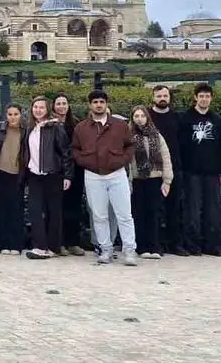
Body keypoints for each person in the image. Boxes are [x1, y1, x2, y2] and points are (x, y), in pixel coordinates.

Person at [71, 90, 139, 266]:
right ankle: (105, 249)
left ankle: (129, 250)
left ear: (106, 104)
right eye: (95, 102)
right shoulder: (82, 128)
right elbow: (75, 150)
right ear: (90, 105)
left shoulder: (120, 125)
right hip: (93, 175)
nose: (98, 105)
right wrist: (86, 162)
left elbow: (130, 146)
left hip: (117, 174)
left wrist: (121, 161)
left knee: (124, 214)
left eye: (101, 101)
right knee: (99, 216)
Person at [180, 83, 221, 256]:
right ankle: (192, 245)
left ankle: (213, 245)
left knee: (213, 210)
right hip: (191, 171)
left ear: (211, 98)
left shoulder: (217, 120)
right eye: (201, 96)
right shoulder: (185, 119)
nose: (204, 99)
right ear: (195, 97)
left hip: (212, 171)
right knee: (192, 210)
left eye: (207, 96)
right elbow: (180, 146)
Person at [22, 97, 73, 260]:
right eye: (35, 107)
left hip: (53, 174)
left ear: (47, 109)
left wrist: (67, 175)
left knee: (54, 212)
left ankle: (53, 247)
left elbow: (66, 152)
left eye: (41, 107)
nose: (38, 110)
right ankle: (40, 246)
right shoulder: (30, 128)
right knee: (35, 211)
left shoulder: (55, 127)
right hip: (34, 175)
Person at [129, 106, 173, 259]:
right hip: (137, 180)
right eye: (136, 116)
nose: (139, 118)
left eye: (142, 115)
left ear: (147, 117)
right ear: (132, 118)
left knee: (154, 213)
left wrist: (167, 180)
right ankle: (141, 247)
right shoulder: (129, 136)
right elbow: (128, 161)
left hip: (155, 179)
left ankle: (155, 246)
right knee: (139, 214)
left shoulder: (157, 135)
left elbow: (166, 157)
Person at [149, 85, 187, 256]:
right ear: (153, 97)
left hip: (175, 168)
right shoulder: (147, 116)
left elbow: (184, 142)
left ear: (169, 97)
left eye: (165, 95)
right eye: (159, 96)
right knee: (155, 208)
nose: (162, 98)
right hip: (153, 170)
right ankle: (157, 243)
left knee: (175, 208)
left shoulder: (178, 117)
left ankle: (175, 243)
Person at [52, 93, 86, 256]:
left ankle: (73, 242)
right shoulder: (50, 125)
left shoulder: (77, 124)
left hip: (76, 171)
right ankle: (60, 242)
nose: (61, 106)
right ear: (53, 106)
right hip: (57, 171)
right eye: (58, 103)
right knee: (58, 208)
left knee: (74, 207)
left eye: (64, 103)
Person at [0, 104, 26, 255]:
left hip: (16, 175)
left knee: (15, 211)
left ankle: (15, 244)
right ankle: (1, 243)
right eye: (10, 114)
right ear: (6, 115)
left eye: (16, 114)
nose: (12, 117)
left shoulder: (25, 132)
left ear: (20, 115)